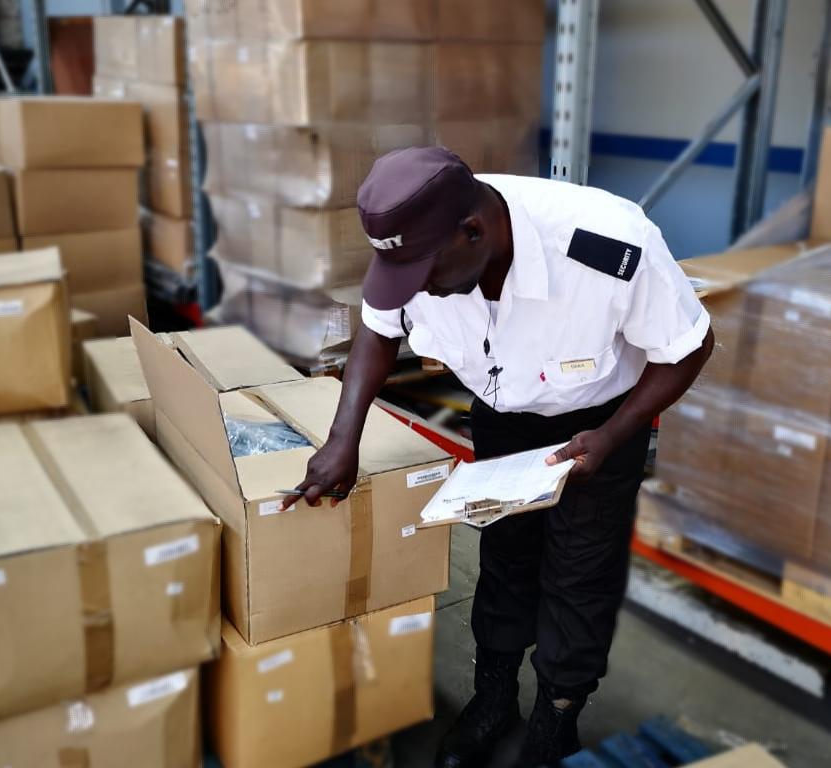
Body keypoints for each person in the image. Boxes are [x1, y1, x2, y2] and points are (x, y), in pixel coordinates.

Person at [283, 147, 713, 768]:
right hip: (502, 413)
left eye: (426, 275)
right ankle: (493, 699)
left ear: (475, 232)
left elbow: (689, 347)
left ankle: (556, 718)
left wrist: (615, 434)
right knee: (506, 557)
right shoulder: (422, 243)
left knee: (578, 575)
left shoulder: (606, 245)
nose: (418, 290)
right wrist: (341, 440)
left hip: (596, 427)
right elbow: (378, 334)